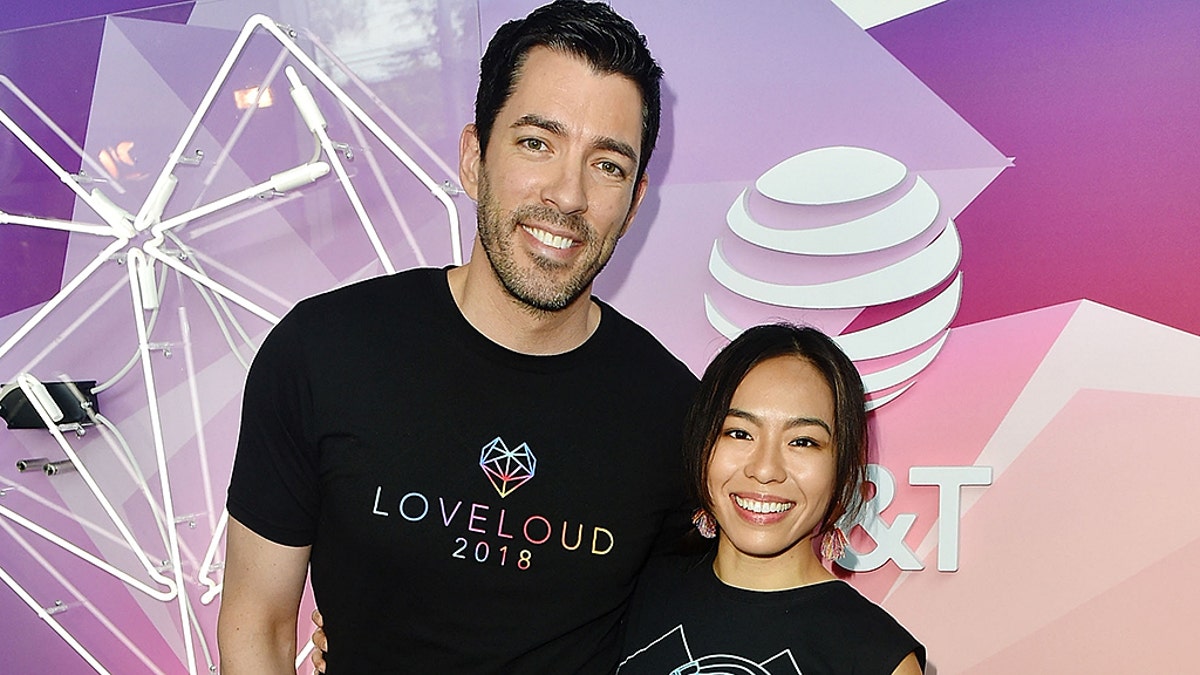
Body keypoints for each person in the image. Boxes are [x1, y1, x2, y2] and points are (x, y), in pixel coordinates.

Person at [216, 1, 698, 672]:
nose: (567, 194)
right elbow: (257, 622)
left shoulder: (678, 415)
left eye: (607, 164)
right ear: (475, 158)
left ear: (636, 199)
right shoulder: (323, 353)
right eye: (537, 142)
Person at [617, 324, 925, 674]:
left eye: (803, 441)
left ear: (842, 465)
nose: (765, 470)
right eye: (739, 433)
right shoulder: (636, 590)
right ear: (702, 445)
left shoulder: (873, 657)